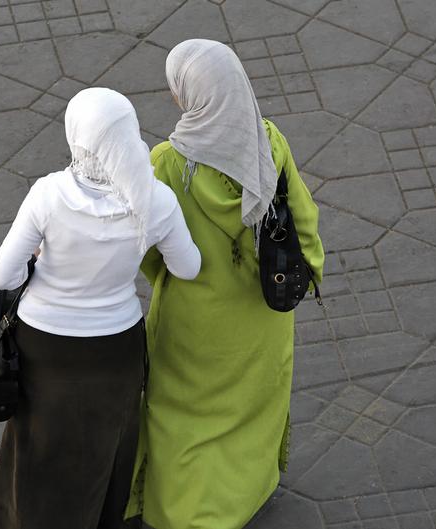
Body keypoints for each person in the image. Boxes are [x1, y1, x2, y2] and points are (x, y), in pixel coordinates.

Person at [124, 39, 325, 529]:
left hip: (194, 319)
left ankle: (183, 510)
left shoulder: (167, 162)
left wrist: (167, 283)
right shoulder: (268, 142)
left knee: (181, 412)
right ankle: (243, 494)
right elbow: (302, 218)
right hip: (260, 309)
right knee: (250, 406)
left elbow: (149, 250)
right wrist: (309, 268)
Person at [0, 87, 201, 529]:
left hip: (43, 344)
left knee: (38, 444)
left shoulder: (49, 194)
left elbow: (1, 277)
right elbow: (189, 267)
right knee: (107, 445)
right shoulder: (155, 200)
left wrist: (41, 264)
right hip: (115, 346)